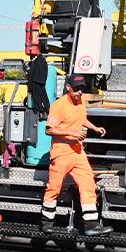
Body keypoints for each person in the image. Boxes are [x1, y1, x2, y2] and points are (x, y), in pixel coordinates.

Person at [40, 76, 112, 235]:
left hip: (78, 153)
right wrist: (71, 132)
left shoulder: (80, 102)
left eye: (82, 89)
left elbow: (82, 119)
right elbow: (49, 129)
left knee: (88, 184)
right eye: (77, 88)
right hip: (61, 152)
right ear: (68, 88)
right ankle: (46, 222)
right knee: (54, 187)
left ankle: (91, 225)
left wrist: (94, 127)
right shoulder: (59, 106)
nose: (80, 92)